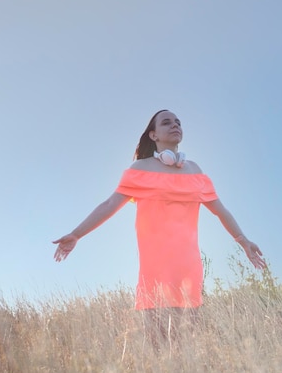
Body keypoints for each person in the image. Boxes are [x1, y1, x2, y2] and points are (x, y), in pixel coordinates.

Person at [53, 110, 266, 345]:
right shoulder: (140, 169)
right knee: (155, 340)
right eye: (166, 122)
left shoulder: (195, 170)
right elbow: (109, 205)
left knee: (185, 339)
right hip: (154, 263)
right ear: (153, 135)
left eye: (178, 122)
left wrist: (243, 241)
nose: (175, 125)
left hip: (188, 263)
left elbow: (221, 211)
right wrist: (76, 234)